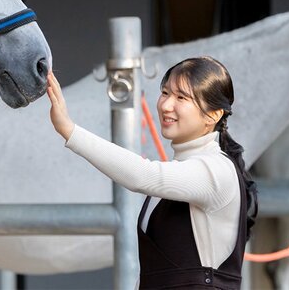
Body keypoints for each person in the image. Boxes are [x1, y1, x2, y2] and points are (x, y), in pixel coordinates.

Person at [47, 56, 258, 289]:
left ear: (213, 115)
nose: (166, 105)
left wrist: (69, 130)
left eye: (181, 97)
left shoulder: (216, 169)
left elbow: (142, 175)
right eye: (165, 93)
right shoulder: (182, 170)